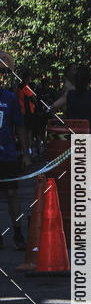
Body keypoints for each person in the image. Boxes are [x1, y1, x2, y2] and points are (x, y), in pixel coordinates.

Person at [0, 51, 29, 250]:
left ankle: (18, 233)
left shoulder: (9, 98)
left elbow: (20, 127)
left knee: (11, 193)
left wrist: (26, 153)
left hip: (7, 154)